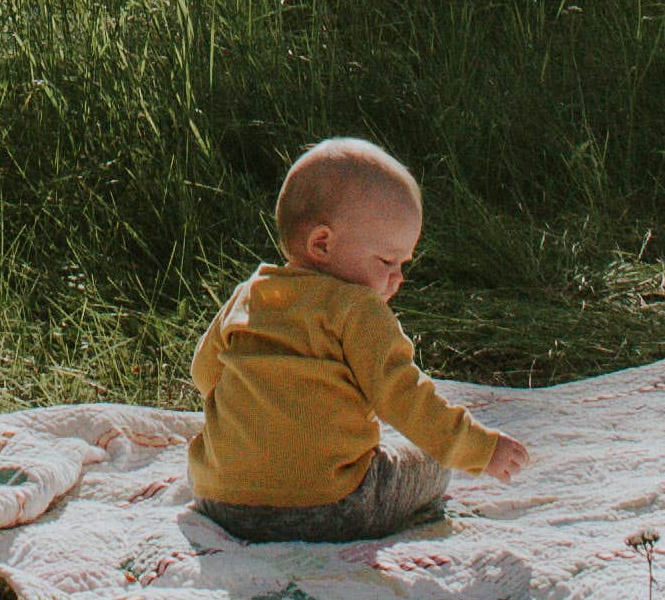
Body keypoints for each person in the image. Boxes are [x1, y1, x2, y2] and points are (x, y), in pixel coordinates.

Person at [187, 136, 531, 544]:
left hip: (223, 501)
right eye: (387, 261)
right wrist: (478, 448)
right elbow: (405, 398)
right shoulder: (357, 309)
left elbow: (205, 373)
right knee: (431, 464)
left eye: (403, 264)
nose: (397, 279)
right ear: (322, 244)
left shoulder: (250, 294)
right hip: (330, 508)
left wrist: (262, 418)